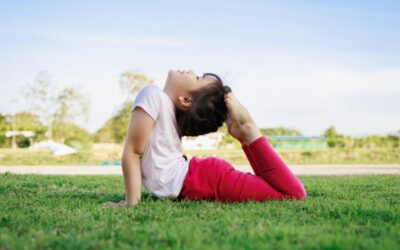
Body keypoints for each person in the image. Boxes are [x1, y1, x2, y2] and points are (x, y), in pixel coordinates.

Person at [103, 69, 307, 208]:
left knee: (292, 195)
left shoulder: (152, 94)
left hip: (203, 178)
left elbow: (133, 152)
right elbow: (134, 152)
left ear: (186, 100)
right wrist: (131, 200)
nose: (191, 70)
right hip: (199, 178)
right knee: (287, 193)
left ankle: (249, 130)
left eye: (198, 77)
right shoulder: (162, 105)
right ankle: (247, 135)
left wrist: (131, 203)